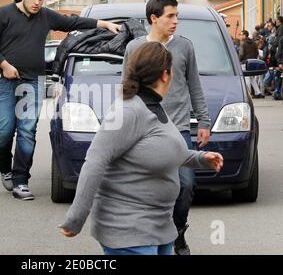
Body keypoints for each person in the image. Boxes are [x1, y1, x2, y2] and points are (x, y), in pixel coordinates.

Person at [59, 42, 223, 255]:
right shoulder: (127, 111)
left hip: (160, 227)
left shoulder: (153, 106)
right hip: (128, 230)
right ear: (166, 75)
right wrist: (75, 218)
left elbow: (161, 150)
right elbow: (95, 161)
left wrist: (201, 158)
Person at [0, 0, 121, 200]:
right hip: (4, 81)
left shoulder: (44, 16)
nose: (37, 2)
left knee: (27, 131)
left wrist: (104, 24)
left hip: (33, 81)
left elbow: (72, 23)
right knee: (4, 131)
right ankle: (5, 168)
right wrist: (4, 65)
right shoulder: (2, 14)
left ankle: (21, 180)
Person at [121, 0, 211, 255]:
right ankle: (152, 237)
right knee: (146, 185)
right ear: (154, 18)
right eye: (170, 16)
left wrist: (203, 120)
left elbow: (194, 85)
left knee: (185, 184)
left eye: (176, 15)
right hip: (143, 129)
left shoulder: (184, 47)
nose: (176, 21)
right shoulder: (134, 48)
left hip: (179, 128)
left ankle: (177, 232)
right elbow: (127, 88)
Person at [239, 30, 263, 98]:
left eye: (241, 35)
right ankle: (258, 92)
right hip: (252, 62)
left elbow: (241, 54)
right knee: (252, 78)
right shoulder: (253, 42)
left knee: (247, 78)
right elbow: (257, 53)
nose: (240, 36)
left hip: (244, 62)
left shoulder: (243, 43)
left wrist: (239, 60)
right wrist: (253, 59)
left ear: (244, 35)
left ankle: (248, 94)